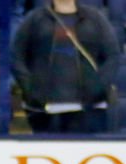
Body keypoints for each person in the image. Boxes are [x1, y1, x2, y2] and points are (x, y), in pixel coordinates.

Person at [11, 0, 119, 134]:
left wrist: (98, 87)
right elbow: (17, 56)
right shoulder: (34, 19)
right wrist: (31, 90)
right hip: (43, 111)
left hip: (90, 110)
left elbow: (112, 56)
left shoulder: (95, 19)